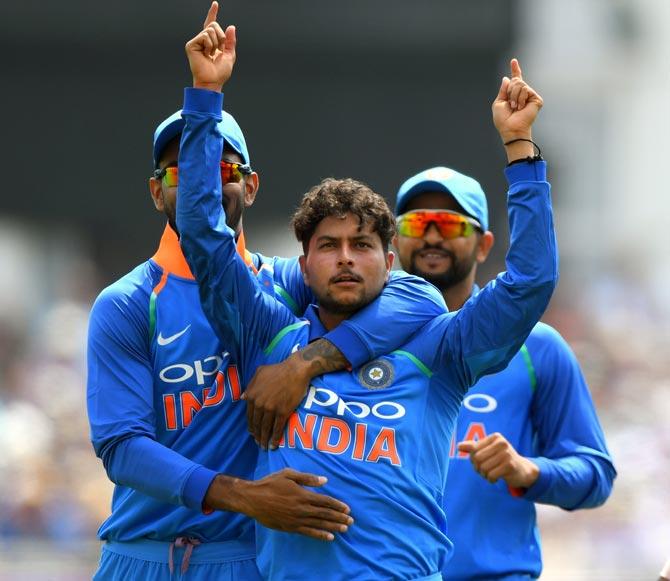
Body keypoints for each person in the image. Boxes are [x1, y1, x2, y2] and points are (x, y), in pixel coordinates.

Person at [175, 8, 557, 579]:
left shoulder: (441, 349)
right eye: (329, 246)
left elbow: (530, 282)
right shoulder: (266, 331)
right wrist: (206, 97)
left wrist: (521, 148)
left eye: (363, 244)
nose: (347, 258)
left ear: (390, 260)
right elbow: (205, 239)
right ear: (303, 264)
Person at [86, 3, 452, 579]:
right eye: (182, 174)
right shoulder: (128, 304)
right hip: (146, 553)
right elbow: (122, 448)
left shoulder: (288, 281)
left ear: (252, 186)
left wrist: (305, 363)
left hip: (248, 559)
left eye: (221, 170)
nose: (202, 184)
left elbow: (419, 299)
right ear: (156, 191)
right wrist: (241, 494)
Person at [392, 76, 617, 576]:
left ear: (486, 244)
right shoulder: (360, 343)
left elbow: (596, 474)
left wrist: (527, 471)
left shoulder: (537, 349)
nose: (431, 236)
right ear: (392, 243)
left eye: (450, 225)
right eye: (414, 223)